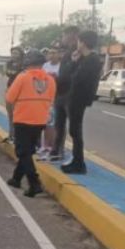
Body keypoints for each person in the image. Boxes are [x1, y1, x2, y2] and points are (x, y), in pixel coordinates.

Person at [5, 50, 56, 197]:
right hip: (40, 120)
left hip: (23, 119)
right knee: (28, 150)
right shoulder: (50, 80)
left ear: (28, 63)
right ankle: (16, 178)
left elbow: (9, 98)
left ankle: (34, 183)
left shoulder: (23, 77)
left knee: (23, 151)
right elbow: (51, 99)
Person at [61, 31, 103, 174]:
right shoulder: (82, 59)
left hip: (79, 99)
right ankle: (76, 160)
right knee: (74, 131)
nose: (77, 44)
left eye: (79, 41)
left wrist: (74, 65)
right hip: (73, 98)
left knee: (75, 131)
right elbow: (66, 76)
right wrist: (73, 61)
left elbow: (77, 79)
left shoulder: (92, 60)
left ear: (83, 42)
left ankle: (79, 163)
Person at [50, 26, 80, 161]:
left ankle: (75, 157)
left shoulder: (79, 53)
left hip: (71, 95)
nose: (63, 39)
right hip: (61, 93)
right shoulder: (68, 53)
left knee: (74, 128)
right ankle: (57, 151)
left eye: (64, 35)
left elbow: (72, 74)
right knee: (59, 125)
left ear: (72, 35)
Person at [39, 46, 62, 158]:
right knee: (45, 123)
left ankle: (52, 146)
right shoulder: (45, 66)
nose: (52, 55)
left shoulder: (61, 67)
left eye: (54, 52)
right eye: (50, 53)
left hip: (56, 98)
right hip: (44, 98)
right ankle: (45, 145)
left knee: (52, 123)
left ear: (59, 54)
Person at [4, 46, 25, 143]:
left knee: (17, 115)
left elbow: (16, 74)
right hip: (10, 89)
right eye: (12, 53)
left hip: (19, 92)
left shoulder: (24, 64)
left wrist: (15, 71)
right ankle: (11, 135)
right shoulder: (9, 63)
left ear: (21, 54)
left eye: (16, 53)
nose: (13, 55)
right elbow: (9, 73)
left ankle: (17, 136)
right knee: (10, 114)